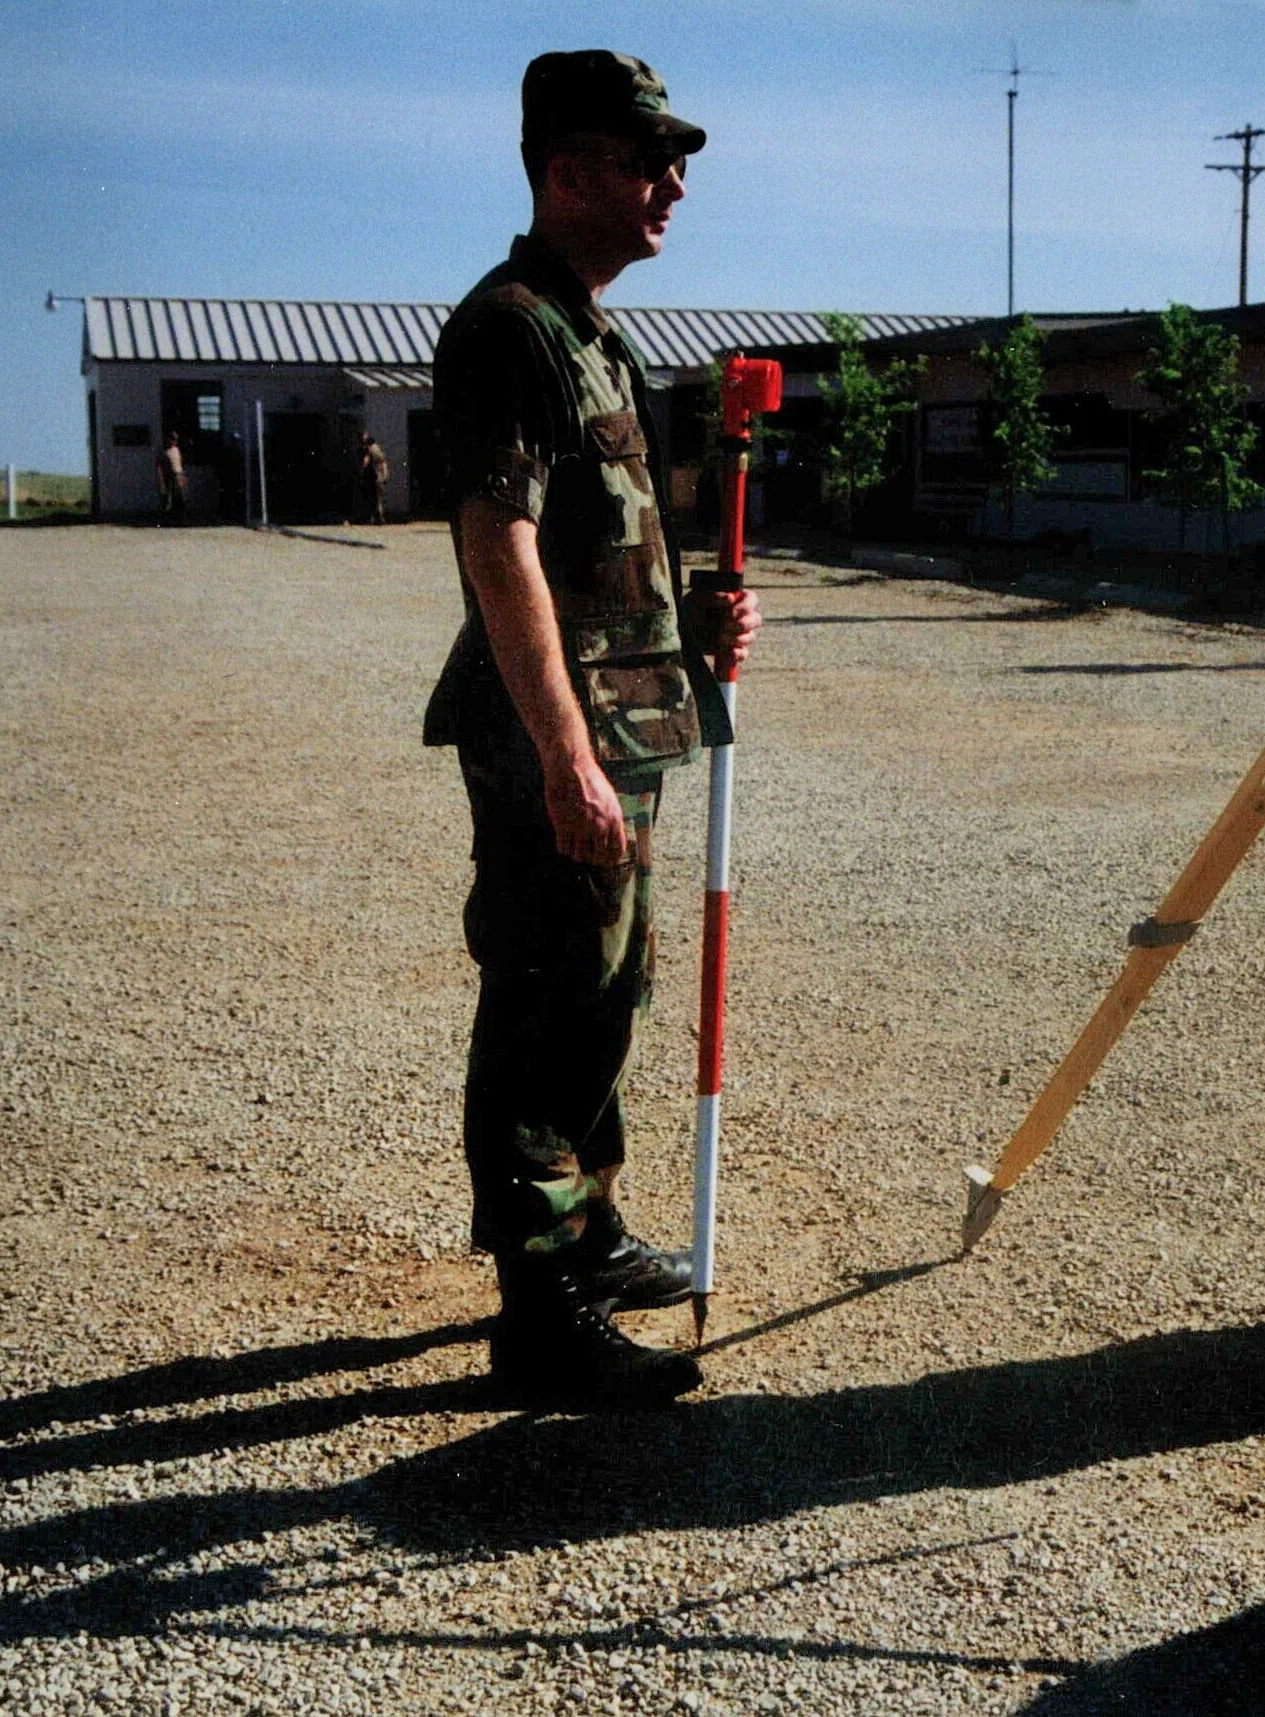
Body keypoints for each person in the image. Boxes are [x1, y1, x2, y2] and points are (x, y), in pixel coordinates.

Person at [424, 49, 759, 1409]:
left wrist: (699, 628)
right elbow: (497, 542)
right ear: (568, 173)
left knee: (609, 986)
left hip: (628, 721)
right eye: (645, 159)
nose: (672, 183)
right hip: (555, 733)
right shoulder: (506, 326)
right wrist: (563, 751)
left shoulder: (591, 332)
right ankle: (539, 1301)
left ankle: (590, 1226)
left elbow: (598, 543)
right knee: (547, 994)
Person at [354, 433, 390, 525]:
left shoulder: (369, 450)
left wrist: (361, 471)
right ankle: (381, 517)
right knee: (380, 498)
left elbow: (366, 461)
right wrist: (386, 475)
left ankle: (375, 518)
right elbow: (384, 462)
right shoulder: (378, 449)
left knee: (372, 498)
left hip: (374, 476)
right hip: (381, 476)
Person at [156, 431, 188, 520]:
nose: (174, 442)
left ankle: (180, 518)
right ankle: (167, 519)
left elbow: (180, 463)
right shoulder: (163, 451)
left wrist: (183, 477)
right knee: (168, 498)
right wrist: (161, 480)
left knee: (180, 497)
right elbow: (159, 465)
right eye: (172, 439)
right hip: (169, 476)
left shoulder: (176, 450)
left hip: (178, 475)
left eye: (175, 440)